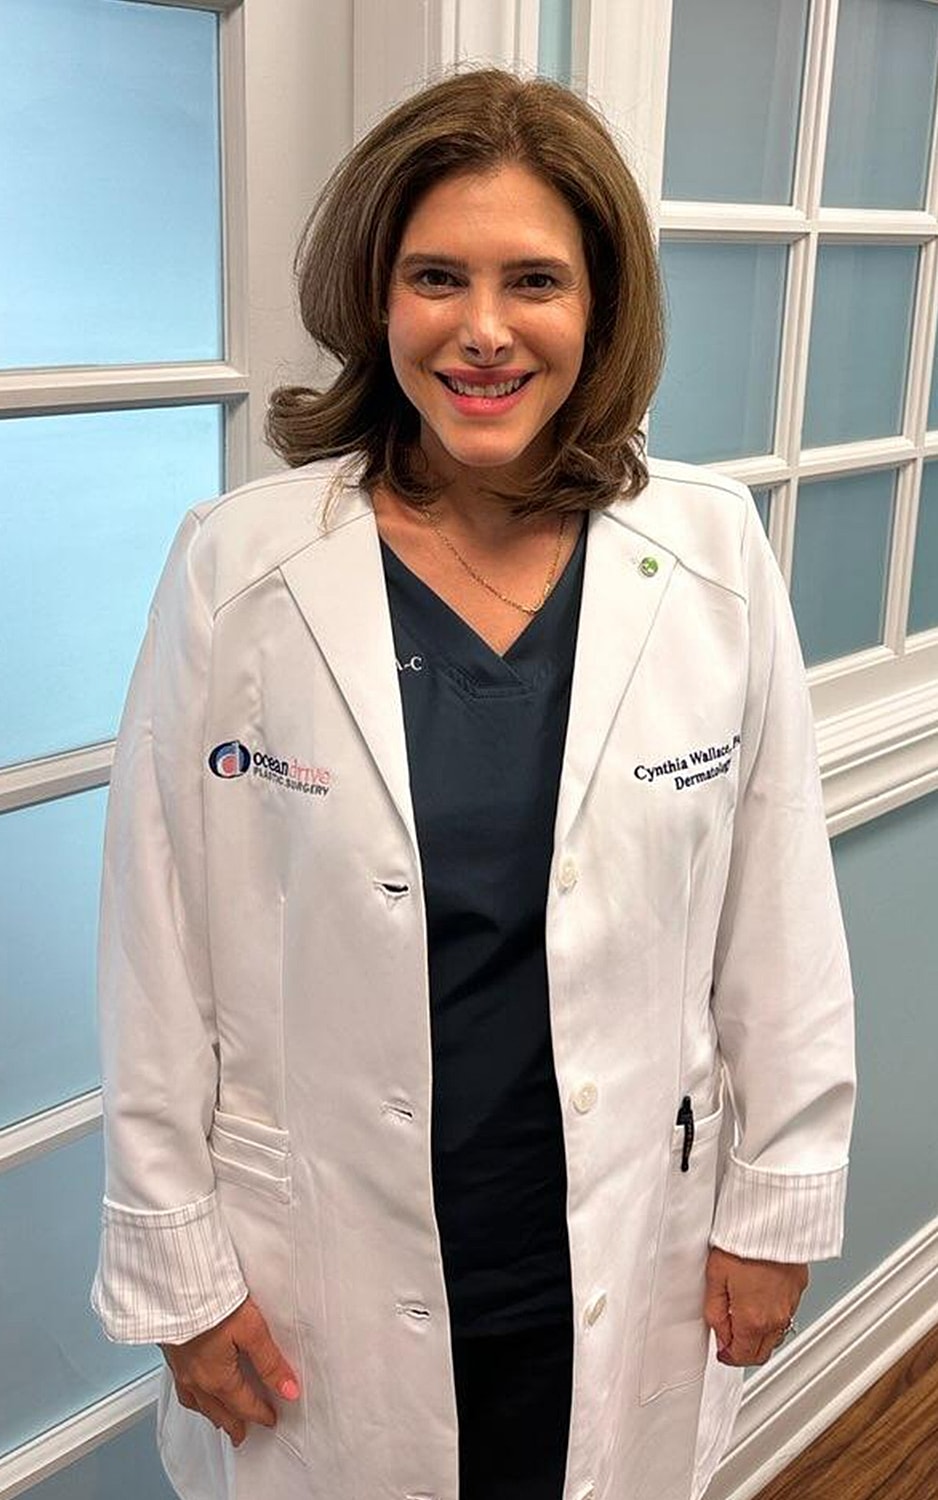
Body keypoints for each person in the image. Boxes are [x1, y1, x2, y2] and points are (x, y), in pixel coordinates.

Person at [92, 68, 856, 1500]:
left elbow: (778, 906)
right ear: (377, 299)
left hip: (620, 1242)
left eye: (536, 281)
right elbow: (156, 941)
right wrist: (177, 1270)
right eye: (435, 276)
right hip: (317, 1259)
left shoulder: (707, 552)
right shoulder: (240, 566)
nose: (483, 330)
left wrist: (778, 1198)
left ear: (601, 307)